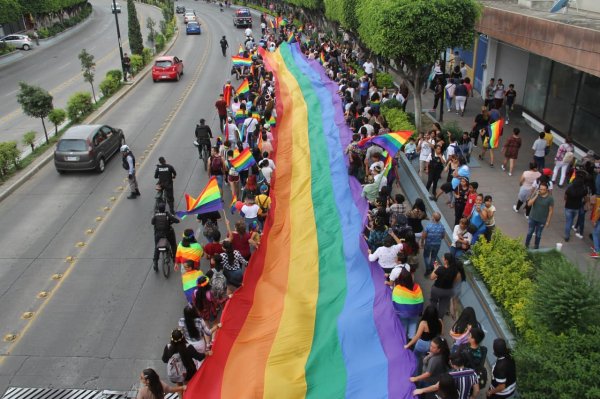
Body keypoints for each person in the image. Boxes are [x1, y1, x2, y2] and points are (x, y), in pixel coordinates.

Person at [405, 304, 443, 372]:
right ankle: (423, 371)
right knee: (426, 358)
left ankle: (414, 373)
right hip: (432, 344)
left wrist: (408, 345)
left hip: (422, 344)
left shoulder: (423, 323)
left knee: (416, 357)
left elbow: (417, 336)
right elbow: (441, 333)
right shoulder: (440, 321)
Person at [388, 266, 423, 339]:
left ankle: (403, 341)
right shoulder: (417, 287)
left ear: (400, 279)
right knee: (413, 325)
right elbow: (420, 300)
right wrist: (419, 311)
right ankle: (411, 340)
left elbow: (394, 302)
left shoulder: (397, 288)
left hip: (403, 313)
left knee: (403, 326)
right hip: (415, 312)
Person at [525, 182, 554, 249]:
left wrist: (548, 221)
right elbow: (529, 204)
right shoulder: (536, 194)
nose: (541, 190)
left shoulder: (550, 199)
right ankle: (526, 245)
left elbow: (550, 211)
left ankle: (536, 246)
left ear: (547, 190)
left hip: (542, 220)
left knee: (538, 233)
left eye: (543, 189)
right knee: (530, 232)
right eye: (540, 189)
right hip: (532, 217)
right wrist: (536, 196)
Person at [152, 202, 179, 271]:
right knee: (173, 245)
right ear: (164, 209)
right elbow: (176, 220)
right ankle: (174, 259)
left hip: (158, 234)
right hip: (168, 234)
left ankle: (155, 262)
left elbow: (152, 222)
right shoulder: (167, 214)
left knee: (157, 247)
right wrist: (176, 220)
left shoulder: (155, 215)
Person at [430, 253, 459, 317]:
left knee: (433, 302)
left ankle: (432, 316)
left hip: (437, 290)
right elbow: (455, 281)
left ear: (446, 260)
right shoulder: (455, 270)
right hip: (448, 291)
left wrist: (435, 268)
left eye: (443, 257)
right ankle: (440, 319)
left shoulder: (441, 269)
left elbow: (432, 277)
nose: (442, 258)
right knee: (443, 306)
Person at [421, 212, 445, 276]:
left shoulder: (428, 226)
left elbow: (424, 236)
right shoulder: (442, 227)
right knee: (434, 257)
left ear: (433, 218)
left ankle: (428, 268)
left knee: (426, 256)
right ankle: (431, 267)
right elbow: (442, 236)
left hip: (428, 244)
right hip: (437, 244)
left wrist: (422, 242)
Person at [563, 176, 586, 242]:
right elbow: (586, 198)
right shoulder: (583, 190)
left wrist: (567, 200)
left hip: (568, 206)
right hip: (577, 207)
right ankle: (569, 231)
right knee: (572, 219)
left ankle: (566, 236)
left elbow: (565, 197)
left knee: (568, 221)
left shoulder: (569, 188)